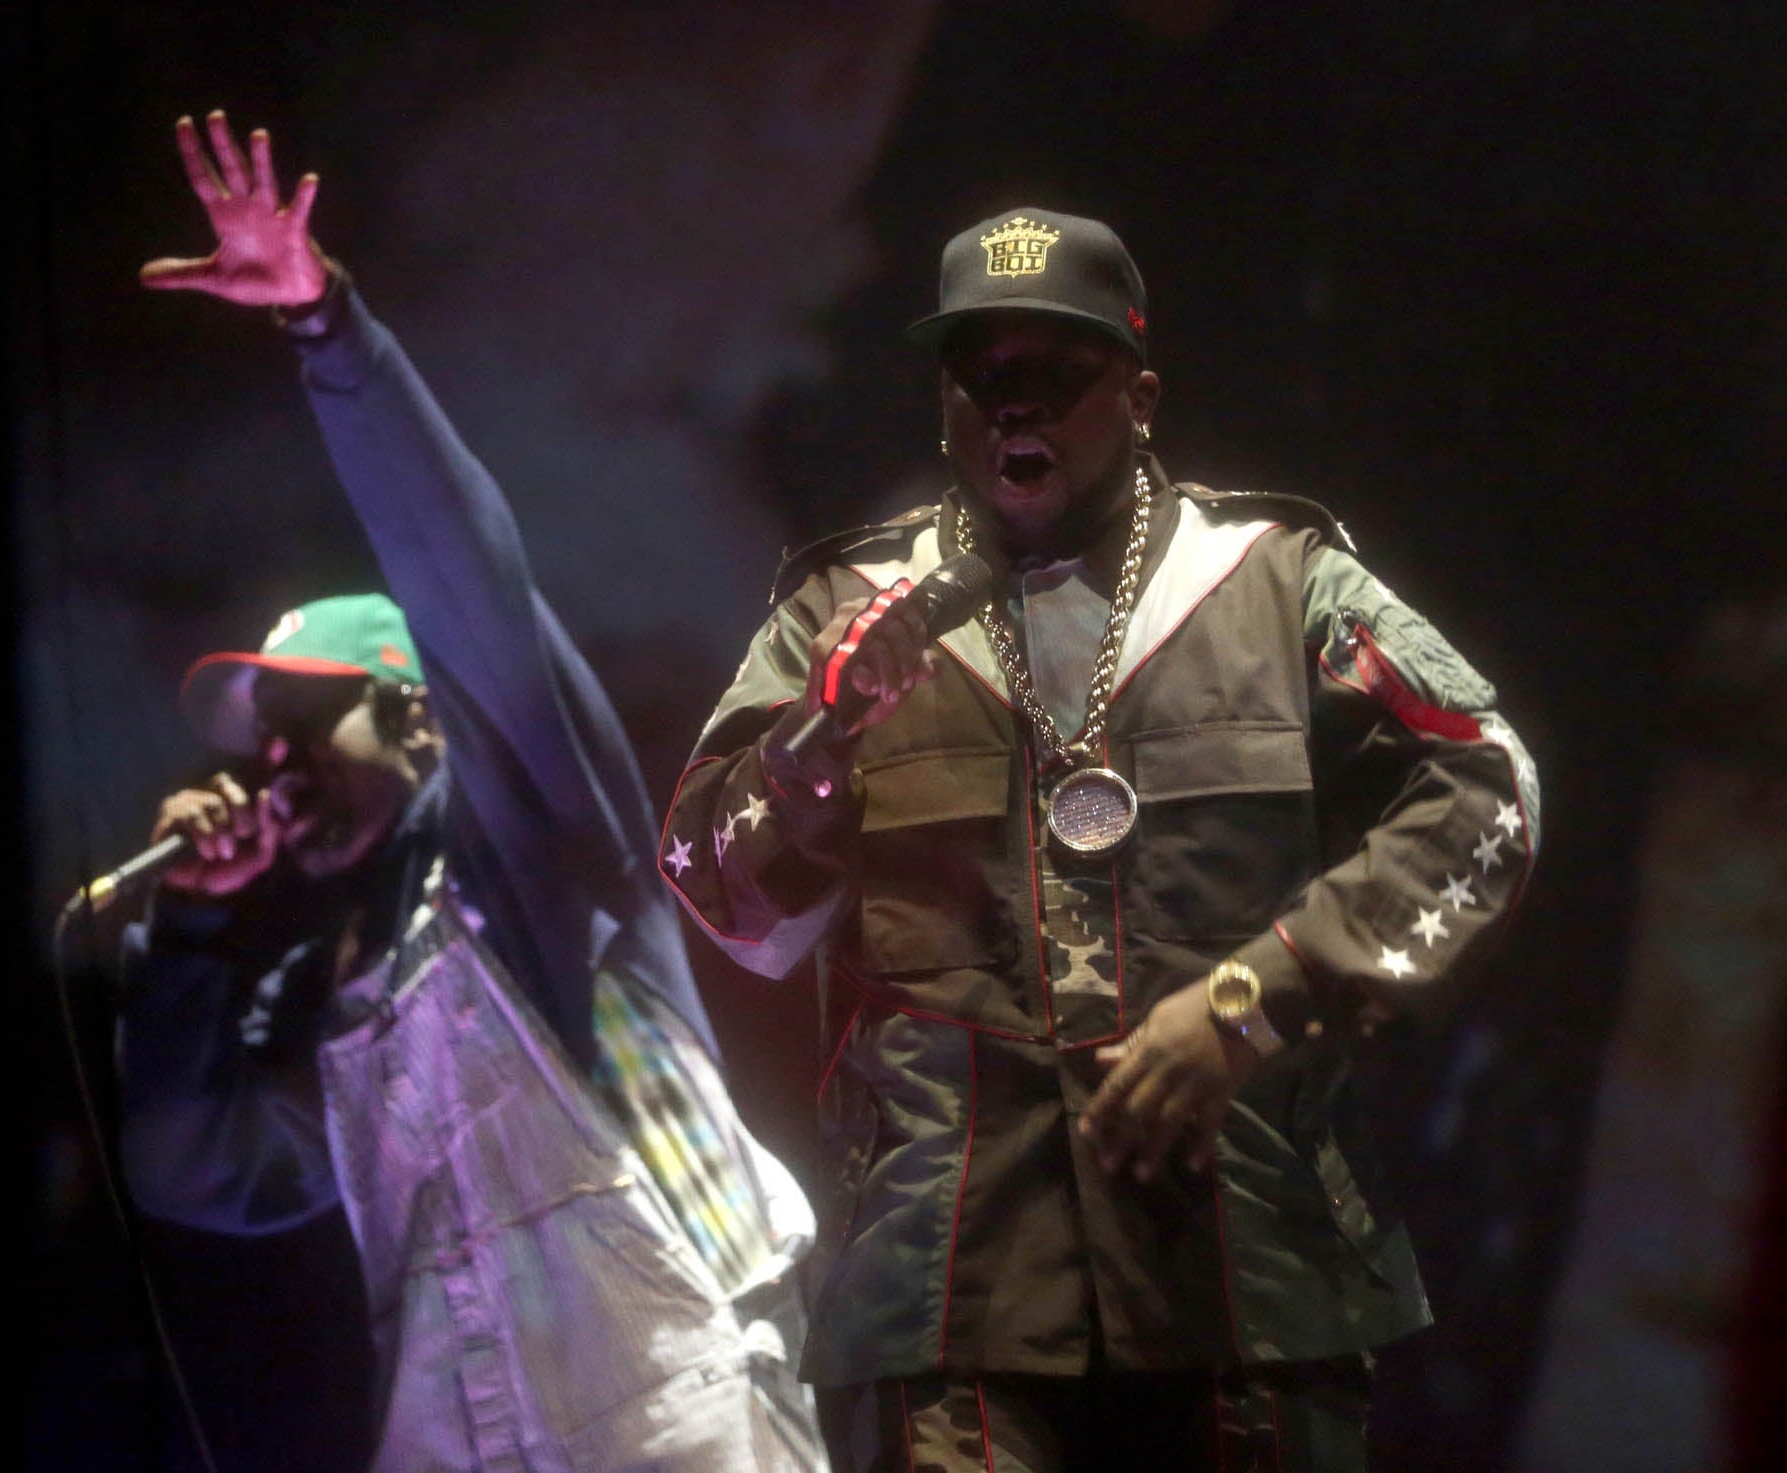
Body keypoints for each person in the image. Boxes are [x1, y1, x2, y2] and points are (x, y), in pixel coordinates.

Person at [661, 207, 1541, 1470]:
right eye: (981, 376)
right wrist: (816, 741)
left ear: (1137, 396)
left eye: (1055, 374)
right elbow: (712, 892)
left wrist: (1258, 995)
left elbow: (1487, 786)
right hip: (944, 1295)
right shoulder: (838, 611)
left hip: (1243, 1267)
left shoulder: (1276, 578)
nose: (1015, 408)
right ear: (940, 404)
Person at [114, 111, 823, 1472]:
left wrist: (328, 334)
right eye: (260, 742)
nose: (275, 763)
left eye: (310, 723)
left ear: (422, 719)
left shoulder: (553, 853)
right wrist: (195, 937)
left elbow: (459, 567)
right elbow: (192, 1169)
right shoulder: (325, 992)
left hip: (684, 1422)